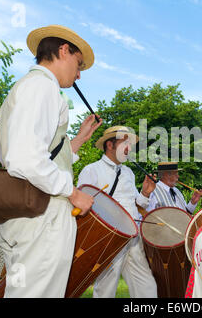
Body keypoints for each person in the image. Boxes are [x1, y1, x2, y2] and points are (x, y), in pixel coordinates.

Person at [0, 25, 102, 297]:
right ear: (63, 50)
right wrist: (74, 192)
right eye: (78, 64)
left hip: (27, 211)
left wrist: (79, 139)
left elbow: (44, 152)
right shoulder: (42, 87)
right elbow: (27, 158)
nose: (79, 74)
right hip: (43, 215)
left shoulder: (31, 87)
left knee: (21, 292)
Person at [77, 126, 158, 298]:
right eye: (125, 143)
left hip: (134, 239)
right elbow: (83, 207)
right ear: (110, 145)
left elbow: (136, 205)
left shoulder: (128, 172)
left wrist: (145, 192)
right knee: (106, 289)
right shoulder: (91, 170)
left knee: (147, 287)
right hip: (109, 239)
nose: (129, 148)